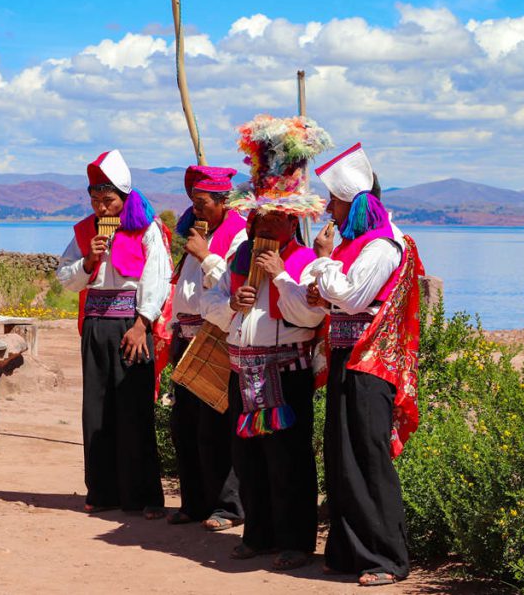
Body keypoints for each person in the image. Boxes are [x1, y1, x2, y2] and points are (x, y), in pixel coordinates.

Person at [203, 113, 331, 568]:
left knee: (289, 460)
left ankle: (295, 541)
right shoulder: (239, 257)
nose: (264, 229)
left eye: (275, 221)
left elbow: (311, 315)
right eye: (260, 219)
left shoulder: (308, 264)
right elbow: (209, 306)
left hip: (286, 374)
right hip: (245, 372)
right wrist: (233, 304)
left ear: (292, 225)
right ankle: (259, 534)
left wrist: (280, 280)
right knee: (249, 457)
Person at [307, 142, 424, 586]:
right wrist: (323, 287)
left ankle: (387, 557)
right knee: (341, 455)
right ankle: (349, 550)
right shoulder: (354, 246)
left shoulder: (382, 246)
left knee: (367, 456)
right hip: (346, 356)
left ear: (353, 202)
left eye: (334, 201)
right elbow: (339, 298)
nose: (329, 210)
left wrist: (321, 263)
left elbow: (354, 296)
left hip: (370, 363)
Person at [55, 150, 172, 518]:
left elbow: (157, 278)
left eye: (108, 200)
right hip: (95, 326)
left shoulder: (147, 228)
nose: (101, 207)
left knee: (133, 409)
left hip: (132, 326)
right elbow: (65, 280)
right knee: (97, 410)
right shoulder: (84, 231)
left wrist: (142, 323)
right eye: (95, 200)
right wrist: (88, 261)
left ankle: (144, 496)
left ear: (124, 197)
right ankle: (103, 491)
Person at [165, 164, 248, 531]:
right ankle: (194, 502)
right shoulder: (201, 232)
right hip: (185, 336)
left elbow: (231, 287)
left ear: (223, 201)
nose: (196, 210)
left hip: (215, 336)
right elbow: (184, 290)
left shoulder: (237, 236)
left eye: (202, 203)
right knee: (185, 425)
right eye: (194, 203)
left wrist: (204, 255)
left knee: (215, 425)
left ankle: (227, 506)